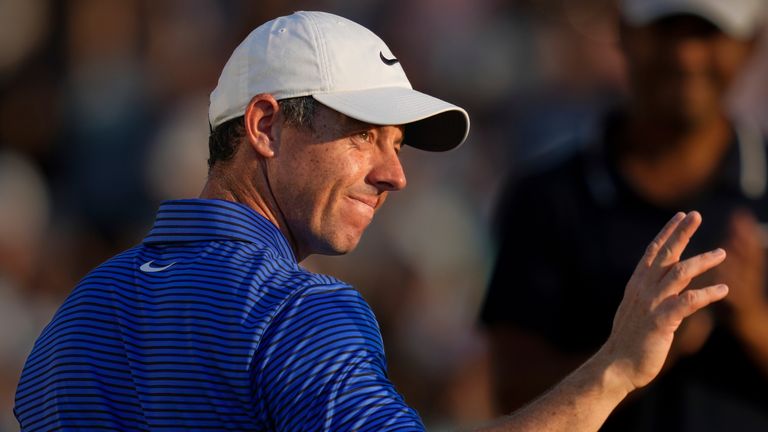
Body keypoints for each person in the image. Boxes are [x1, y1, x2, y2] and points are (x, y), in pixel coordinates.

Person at [15, 10, 728, 432]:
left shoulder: (75, 317)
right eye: (366, 134)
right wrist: (614, 371)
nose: (395, 173)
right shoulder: (296, 312)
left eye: (397, 144)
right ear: (264, 125)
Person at [482, 0, 768, 430]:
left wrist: (753, 320)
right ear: (624, 32)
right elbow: (514, 396)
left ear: (751, 44)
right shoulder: (546, 197)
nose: (685, 55)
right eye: (666, 30)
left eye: (707, 33)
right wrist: (638, 352)